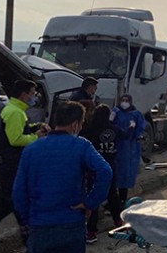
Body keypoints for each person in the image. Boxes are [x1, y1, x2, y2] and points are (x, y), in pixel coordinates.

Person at [13, 101, 112, 253]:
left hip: (39, 225)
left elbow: (18, 192)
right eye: (81, 124)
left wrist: (28, 218)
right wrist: (89, 203)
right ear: (75, 125)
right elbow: (105, 171)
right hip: (71, 223)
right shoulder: (81, 146)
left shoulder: (31, 149)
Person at [0, 80, 50, 247]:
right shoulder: (15, 112)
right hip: (12, 163)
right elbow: (15, 139)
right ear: (24, 94)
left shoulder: (15, 109)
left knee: (15, 200)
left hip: (11, 162)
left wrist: (35, 127)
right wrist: (37, 137)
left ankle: (27, 236)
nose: (35, 97)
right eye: (33, 93)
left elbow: (17, 130)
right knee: (11, 202)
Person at [83, 104, 125, 244]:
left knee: (93, 196)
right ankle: (118, 221)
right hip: (110, 165)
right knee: (112, 194)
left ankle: (91, 231)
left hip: (94, 166)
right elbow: (124, 134)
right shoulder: (113, 128)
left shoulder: (90, 130)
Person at [112, 94, 146, 205]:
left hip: (130, 147)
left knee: (126, 172)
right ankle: (114, 199)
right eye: (123, 100)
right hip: (117, 145)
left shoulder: (135, 114)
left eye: (127, 100)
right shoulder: (116, 112)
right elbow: (110, 125)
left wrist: (138, 135)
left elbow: (140, 129)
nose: (124, 103)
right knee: (115, 171)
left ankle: (122, 199)